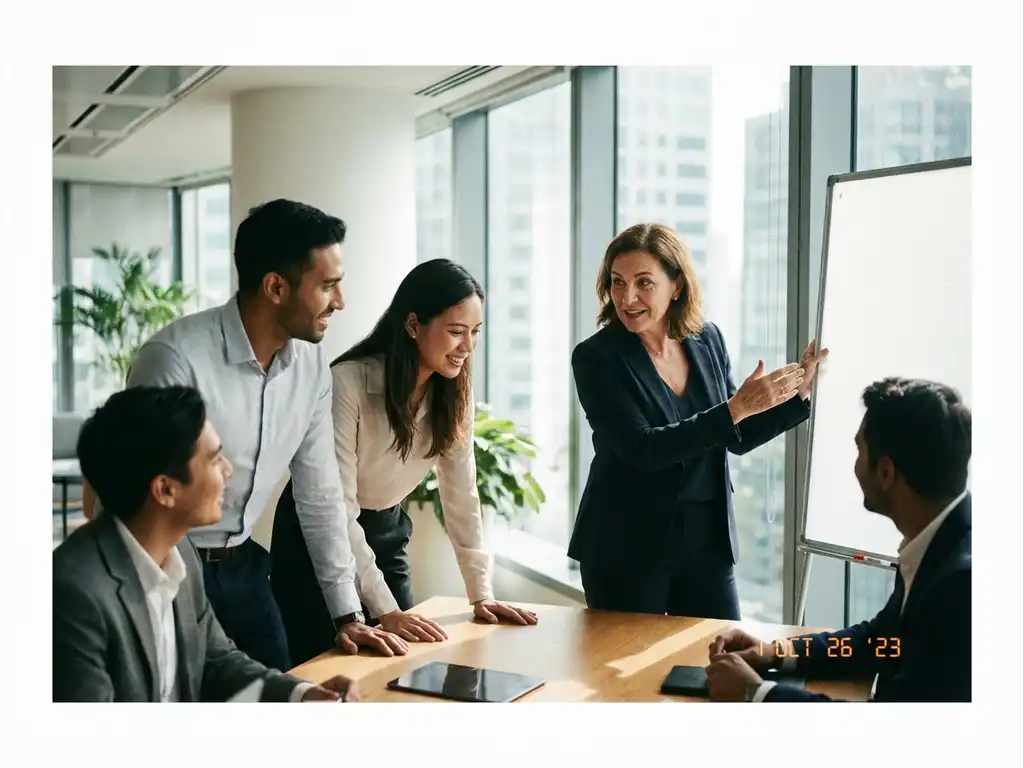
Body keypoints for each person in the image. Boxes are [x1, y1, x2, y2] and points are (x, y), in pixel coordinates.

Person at [82, 199, 406, 671]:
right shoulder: (175, 359)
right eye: (328, 286)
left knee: (274, 693)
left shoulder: (311, 367)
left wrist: (347, 613)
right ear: (276, 287)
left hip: (245, 569)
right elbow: (133, 492)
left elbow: (320, 497)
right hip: (163, 567)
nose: (340, 301)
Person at [271, 259, 538, 665]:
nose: (467, 347)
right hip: (316, 538)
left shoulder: (452, 394)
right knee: (323, 673)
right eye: (455, 332)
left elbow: (461, 494)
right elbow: (336, 509)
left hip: (385, 530)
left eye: (475, 333)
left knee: (404, 665)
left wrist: (481, 593)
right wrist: (384, 609)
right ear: (413, 325)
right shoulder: (347, 383)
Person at [568, 223, 828, 620]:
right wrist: (736, 408)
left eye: (643, 283)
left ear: (676, 285)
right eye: (618, 282)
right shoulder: (595, 358)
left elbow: (734, 435)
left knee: (724, 662)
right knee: (630, 679)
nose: (627, 297)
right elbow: (644, 449)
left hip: (707, 544)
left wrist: (798, 394)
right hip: (626, 549)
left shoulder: (707, 339)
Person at [54, 386, 359, 702]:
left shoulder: (181, 551)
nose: (228, 471)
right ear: (165, 490)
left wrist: (303, 694)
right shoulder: (74, 593)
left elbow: (214, 660)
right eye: (214, 460)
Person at [705, 377, 971, 702]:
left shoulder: (959, 586)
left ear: (886, 473)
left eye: (859, 450)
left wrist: (756, 694)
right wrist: (773, 651)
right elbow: (880, 643)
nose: (855, 465)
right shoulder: (940, 542)